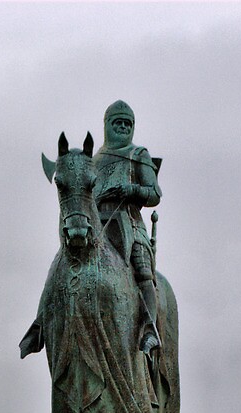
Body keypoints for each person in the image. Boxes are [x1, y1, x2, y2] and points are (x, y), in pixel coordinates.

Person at [93, 100, 162, 354]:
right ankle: (42, 325)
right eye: (117, 123)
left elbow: (154, 193)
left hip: (129, 223)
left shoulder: (138, 154)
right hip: (95, 224)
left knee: (142, 269)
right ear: (107, 125)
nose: (122, 127)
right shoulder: (94, 160)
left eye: (127, 123)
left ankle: (149, 329)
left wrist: (130, 189)